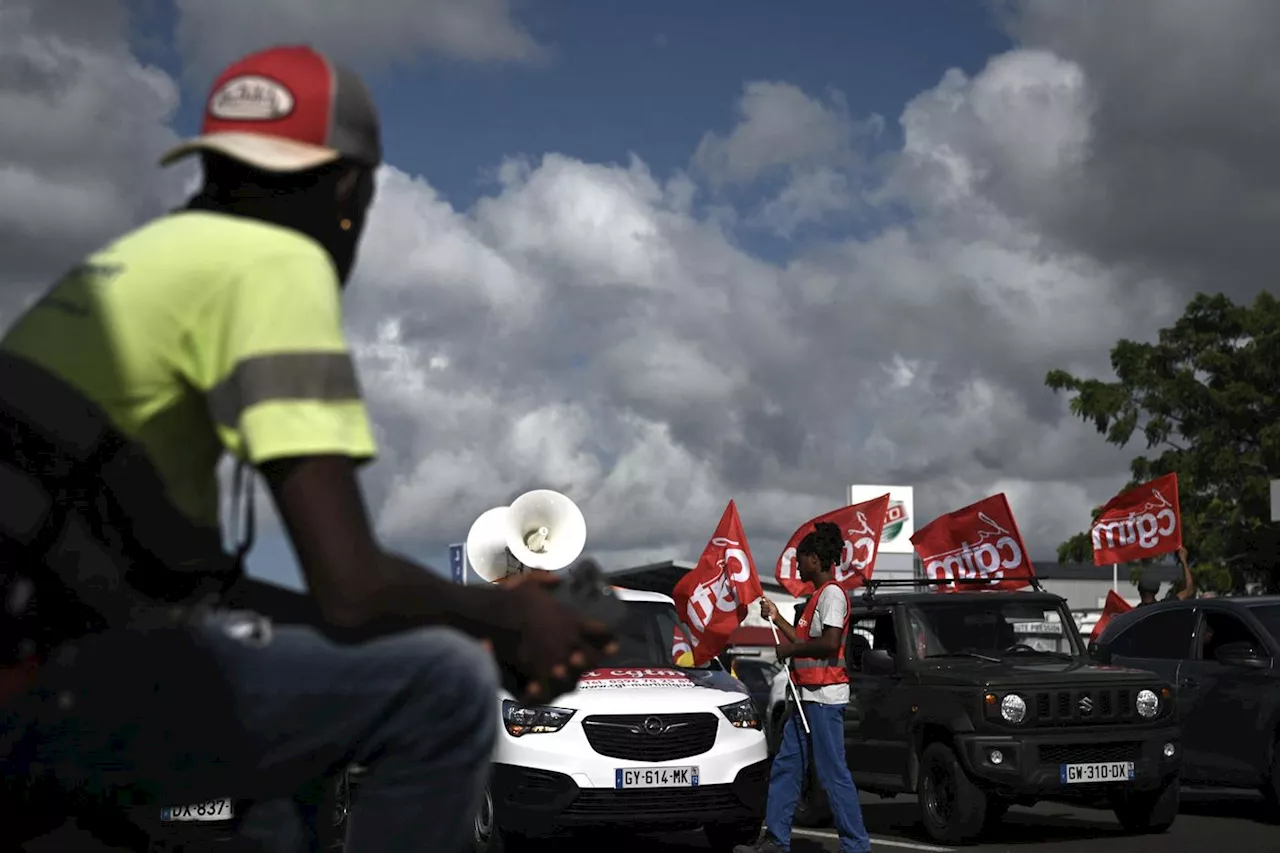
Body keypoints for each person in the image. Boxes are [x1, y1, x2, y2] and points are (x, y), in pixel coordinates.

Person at [0, 44, 615, 852]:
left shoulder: (121, 270)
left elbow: (190, 591)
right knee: (448, 688)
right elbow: (349, 587)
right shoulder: (274, 260)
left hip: (46, 670)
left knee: (292, 748)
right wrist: (508, 619)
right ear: (350, 188)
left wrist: (470, 620)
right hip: (51, 695)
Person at [738, 522, 871, 853]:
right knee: (785, 767)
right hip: (806, 698)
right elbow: (804, 640)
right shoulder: (818, 598)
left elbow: (828, 644)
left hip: (823, 699)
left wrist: (789, 651)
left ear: (815, 558)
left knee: (832, 775)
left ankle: (856, 846)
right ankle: (775, 840)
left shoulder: (833, 596)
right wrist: (776, 618)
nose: (798, 565)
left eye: (801, 559)